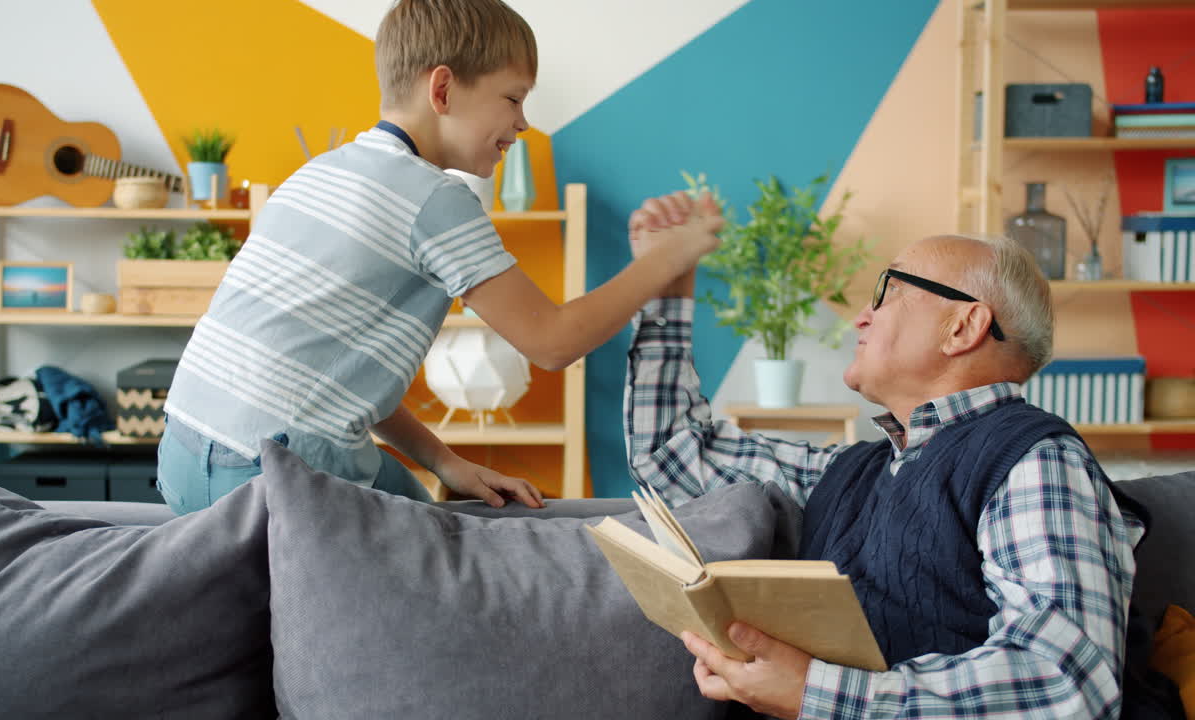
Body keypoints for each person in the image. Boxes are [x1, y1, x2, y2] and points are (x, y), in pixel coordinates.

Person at [156, 0, 723, 516]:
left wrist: (446, 462)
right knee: (444, 545)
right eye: (513, 98)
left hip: (182, 454)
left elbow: (340, 380)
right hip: (269, 475)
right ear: (444, 89)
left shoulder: (321, 172)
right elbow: (552, 343)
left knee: (415, 497)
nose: (523, 123)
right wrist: (666, 259)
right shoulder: (433, 197)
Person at [623, 192, 1147, 719]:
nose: (860, 319)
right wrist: (665, 280)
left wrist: (811, 693)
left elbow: (1066, 683)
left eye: (888, 291)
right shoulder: (850, 471)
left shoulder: (1036, 461)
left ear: (963, 327)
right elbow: (673, 453)